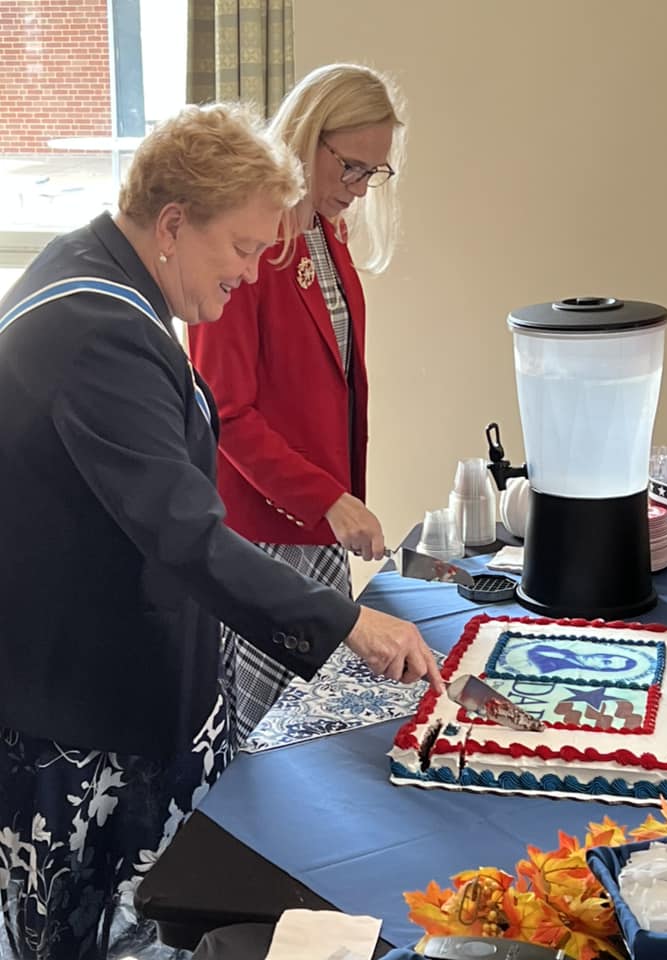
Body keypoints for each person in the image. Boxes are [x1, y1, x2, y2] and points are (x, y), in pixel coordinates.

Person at [0, 102, 442, 960]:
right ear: (173, 224)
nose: (249, 273)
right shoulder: (96, 331)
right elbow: (184, 534)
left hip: (107, 672)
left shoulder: (105, 275)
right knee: (85, 934)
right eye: (241, 248)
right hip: (78, 709)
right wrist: (347, 620)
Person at [189, 64, 407, 749]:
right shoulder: (247, 246)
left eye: (374, 174)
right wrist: (325, 498)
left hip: (315, 521)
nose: (359, 188)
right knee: (266, 736)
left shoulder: (327, 235)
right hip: (263, 523)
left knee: (316, 727)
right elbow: (226, 409)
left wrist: (333, 501)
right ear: (307, 138)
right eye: (350, 167)